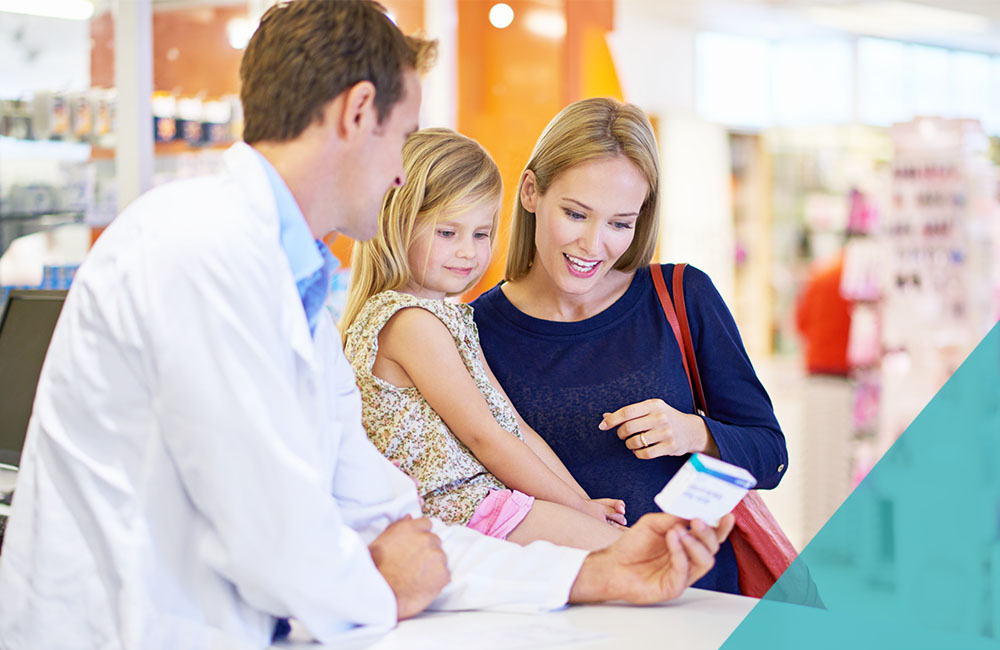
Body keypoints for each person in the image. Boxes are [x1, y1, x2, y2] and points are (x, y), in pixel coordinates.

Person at [0, 4, 733, 649]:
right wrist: (386, 583)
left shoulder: (294, 286)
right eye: (403, 134)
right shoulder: (198, 250)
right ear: (358, 114)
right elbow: (275, 540)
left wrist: (595, 570)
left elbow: (388, 518)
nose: (398, 176)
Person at [472, 97, 787, 595]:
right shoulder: (473, 331)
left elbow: (771, 454)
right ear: (531, 192)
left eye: (620, 223)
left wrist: (693, 433)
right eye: (576, 214)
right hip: (559, 608)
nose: (593, 246)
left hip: (698, 603)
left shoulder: (682, 296)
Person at [340, 128, 625, 551]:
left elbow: (515, 428)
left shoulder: (450, 318)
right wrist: (579, 511)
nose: (468, 253)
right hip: (458, 513)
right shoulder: (408, 321)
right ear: (397, 223)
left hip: (487, 503)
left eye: (481, 233)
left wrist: (582, 503)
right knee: (630, 558)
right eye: (447, 232)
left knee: (624, 551)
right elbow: (484, 437)